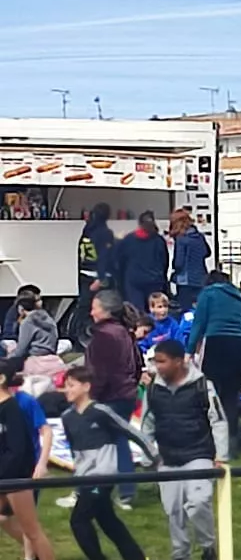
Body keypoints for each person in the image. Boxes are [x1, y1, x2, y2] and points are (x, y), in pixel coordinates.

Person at [59, 364, 157, 560]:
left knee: (79, 519)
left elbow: (130, 431)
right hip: (83, 478)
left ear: (86, 387)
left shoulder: (101, 412)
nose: (67, 390)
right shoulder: (67, 417)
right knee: (108, 521)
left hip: (102, 477)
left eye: (71, 385)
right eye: (66, 386)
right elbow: (76, 451)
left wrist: (153, 454)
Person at [138, 338, 227, 560]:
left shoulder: (202, 386)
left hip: (198, 454)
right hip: (167, 457)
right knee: (173, 510)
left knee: (198, 503)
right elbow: (147, 423)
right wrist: (149, 456)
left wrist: (221, 455)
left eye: (162, 361)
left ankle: (209, 552)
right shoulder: (154, 389)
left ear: (179, 362)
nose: (158, 367)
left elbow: (217, 420)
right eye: (156, 361)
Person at [0, 358, 66, 560]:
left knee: (32, 530)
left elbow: (19, 450)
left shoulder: (15, 408)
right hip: (7, 476)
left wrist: (39, 465)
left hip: (16, 477)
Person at [189, 267, 241, 452]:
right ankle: (231, 442)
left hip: (216, 344)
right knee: (231, 396)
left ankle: (212, 441)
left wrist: (189, 351)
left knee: (211, 395)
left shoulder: (207, 294)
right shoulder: (239, 298)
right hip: (238, 347)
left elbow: (199, 324)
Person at [84, 290, 143, 508]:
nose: (91, 311)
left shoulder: (104, 336)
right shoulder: (125, 332)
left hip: (109, 396)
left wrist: (91, 397)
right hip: (126, 394)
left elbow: (101, 373)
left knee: (100, 444)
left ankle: (93, 490)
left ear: (105, 310)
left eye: (95, 307)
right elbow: (138, 365)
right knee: (119, 441)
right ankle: (124, 491)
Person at [71, 202, 115, 339]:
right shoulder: (104, 232)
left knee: (84, 307)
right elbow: (105, 257)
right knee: (104, 308)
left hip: (84, 273)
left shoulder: (87, 231)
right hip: (97, 276)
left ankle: (79, 335)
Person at [114, 210, 170, 310]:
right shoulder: (158, 240)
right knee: (155, 312)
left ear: (139, 223)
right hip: (154, 281)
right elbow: (164, 263)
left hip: (134, 282)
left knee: (137, 313)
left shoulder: (128, 240)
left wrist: (120, 283)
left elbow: (120, 263)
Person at [167, 208, 210, 312]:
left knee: (185, 310)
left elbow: (179, 263)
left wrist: (173, 272)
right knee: (200, 310)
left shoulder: (181, 239)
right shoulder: (199, 237)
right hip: (201, 278)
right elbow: (207, 252)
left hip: (185, 280)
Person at [5, 287, 57, 361]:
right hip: (51, 355)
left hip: (33, 358)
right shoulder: (46, 316)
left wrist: (7, 359)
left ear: (21, 307)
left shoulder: (28, 322)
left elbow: (20, 351)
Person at [138, 291, 192, 358]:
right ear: (151, 308)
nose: (163, 310)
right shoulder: (146, 323)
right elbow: (141, 344)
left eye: (165, 306)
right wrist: (146, 353)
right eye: (160, 307)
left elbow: (179, 341)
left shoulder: (172, 323)